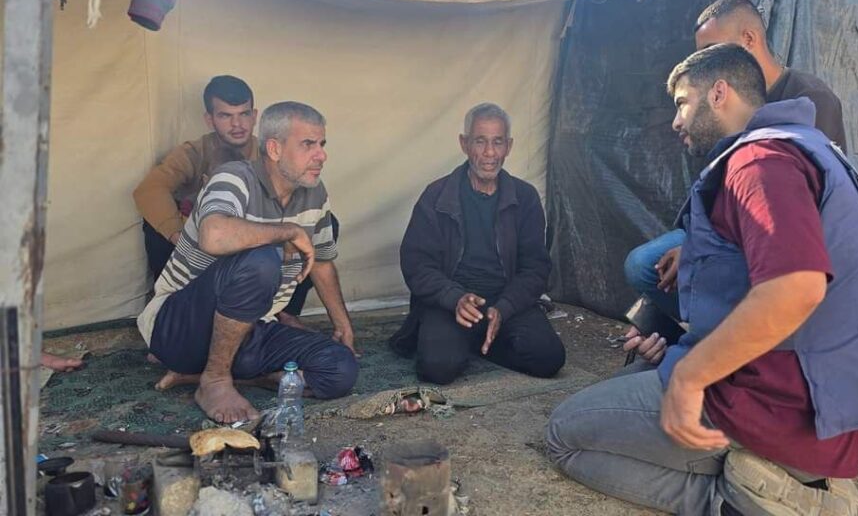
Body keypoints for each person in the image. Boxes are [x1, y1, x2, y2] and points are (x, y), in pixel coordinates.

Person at [546, 44, 858, 514]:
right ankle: (776, 480)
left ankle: (745, 497)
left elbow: (796, 287)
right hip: (824, 409)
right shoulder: (806, 146)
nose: (676, 121)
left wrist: (690, 377)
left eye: (681, 103)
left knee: (563, 436)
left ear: (718, 93)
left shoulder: (760, 162)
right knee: (640, 372)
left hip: (772, 408)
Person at [622, 0, 847, 349]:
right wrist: (697, 241)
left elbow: (803, 214)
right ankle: (691, 336)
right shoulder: (718, 106)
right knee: (643, 265)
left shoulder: (812, 100)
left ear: (748, 40)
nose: (702, 63)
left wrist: (698, 250)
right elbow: (718, 192)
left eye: (712, 48)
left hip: (780, 238)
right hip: (730, 229)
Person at [136, 101, 358, 423]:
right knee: (261, 260)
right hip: (180, 328)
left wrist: (343, 327)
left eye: (322, 144)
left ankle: (217, 377)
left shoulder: (314, 193)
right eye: (308, 144)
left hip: (251, 328)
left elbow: (322, 263)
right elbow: (213, 235)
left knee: (340, 370)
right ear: (274, 148)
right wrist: (288, 231)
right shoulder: (235, 178)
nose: (321, 155)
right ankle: (213, 379)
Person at [133, 75, 335, 328]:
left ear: (255, 116)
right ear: (209, 119)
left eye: (244, 114)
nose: (237, 124)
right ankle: (169, 316)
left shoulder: (272, 152)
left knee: (323, 225)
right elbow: (149, 190)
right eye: (226, 116)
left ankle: (285, 310)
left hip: (261, 238)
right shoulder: (194, 152)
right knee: (155, 228)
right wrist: (177, 234)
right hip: (208, 243)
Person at [389, 103, 565, 385]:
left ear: (508, 146)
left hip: (505, 300)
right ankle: (467, 341)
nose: (489, 153)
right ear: (464, 144)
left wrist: (504, 308)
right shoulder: (436, 196)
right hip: (451, 301)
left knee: (548, 359)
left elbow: (536, 267)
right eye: (480, 141)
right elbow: (416, 264)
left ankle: (481, 339)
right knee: (438, 368)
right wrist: (454, 297)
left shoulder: (525, 197)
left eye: (497, 142)